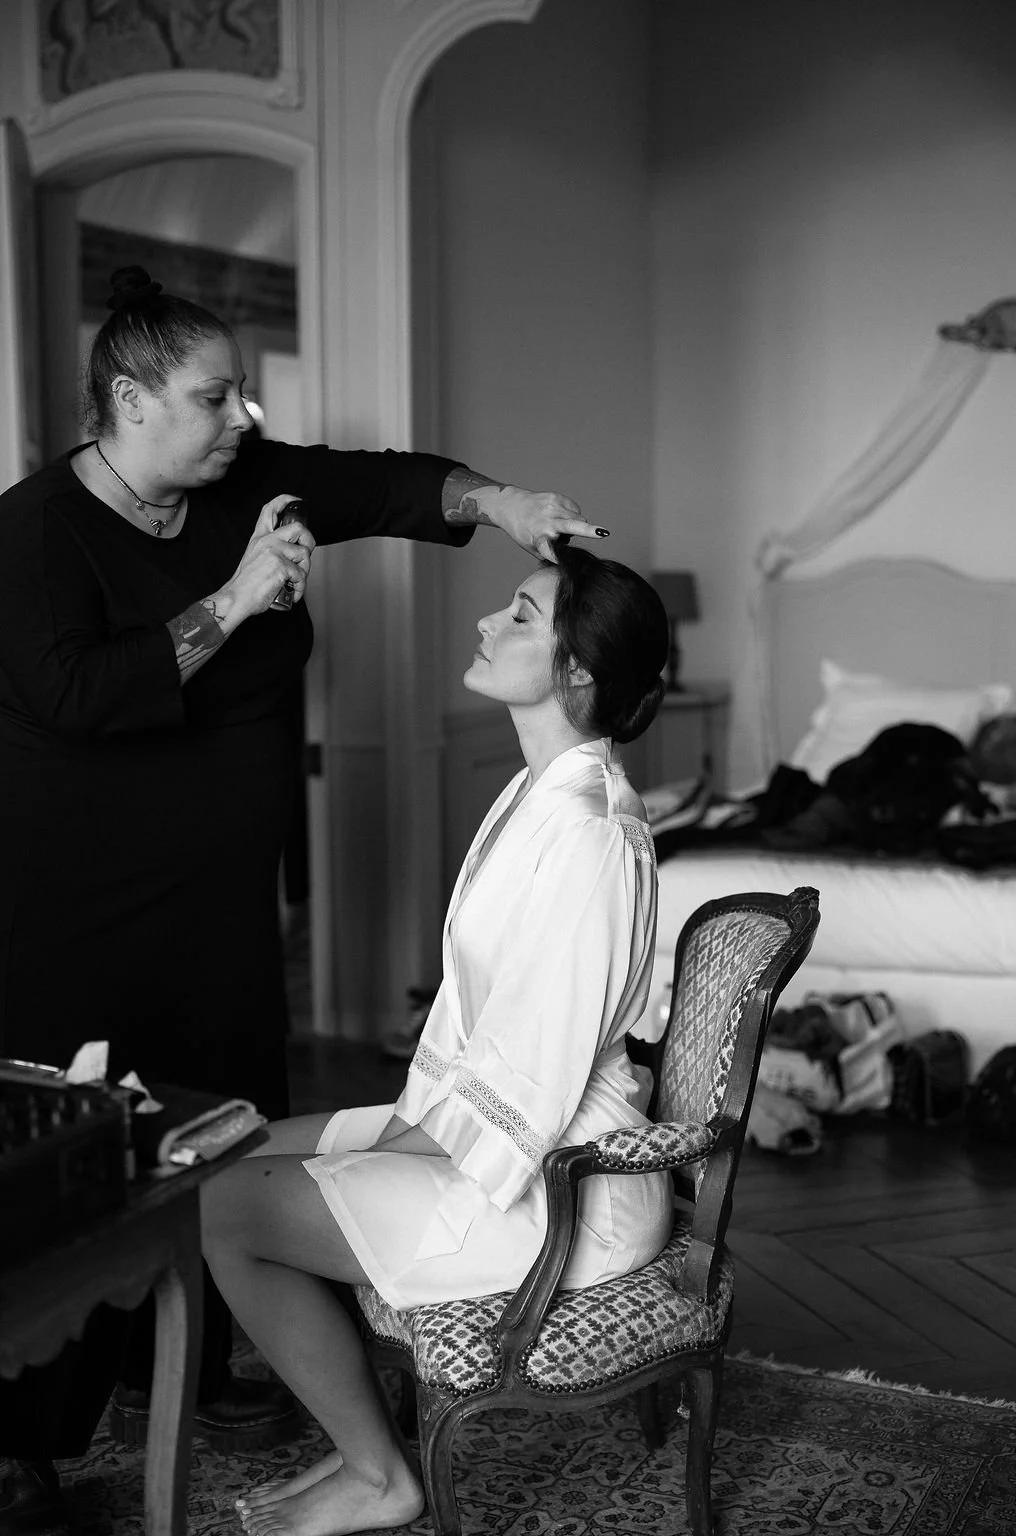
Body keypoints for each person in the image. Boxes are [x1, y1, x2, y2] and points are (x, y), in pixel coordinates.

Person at [0, 265, 606, 1530]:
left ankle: (209, 1356)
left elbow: (382, 483)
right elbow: (77, 695)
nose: (243, 422)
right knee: (84, 1150)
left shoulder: (235, 486)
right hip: (82, 902)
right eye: (215, 399)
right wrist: (233, 603)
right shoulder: (31, 534)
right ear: (129, 398)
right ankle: (39, 1427)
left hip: (225, 900)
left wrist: (501, 501)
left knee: (223, 1110)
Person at [200, 544, 673, 1536]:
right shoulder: (537, 796)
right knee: (226, 1150)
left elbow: (532, 1084)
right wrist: (390, 1129)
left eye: (518, 615)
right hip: (483, 1126)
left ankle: (382, 1475)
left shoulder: (587, 833)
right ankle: (361, 1447)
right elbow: (486, 1036)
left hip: (553, 1182)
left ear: (577, 670)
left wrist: (390, 1144)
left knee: (223, 1208)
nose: (484, 625)